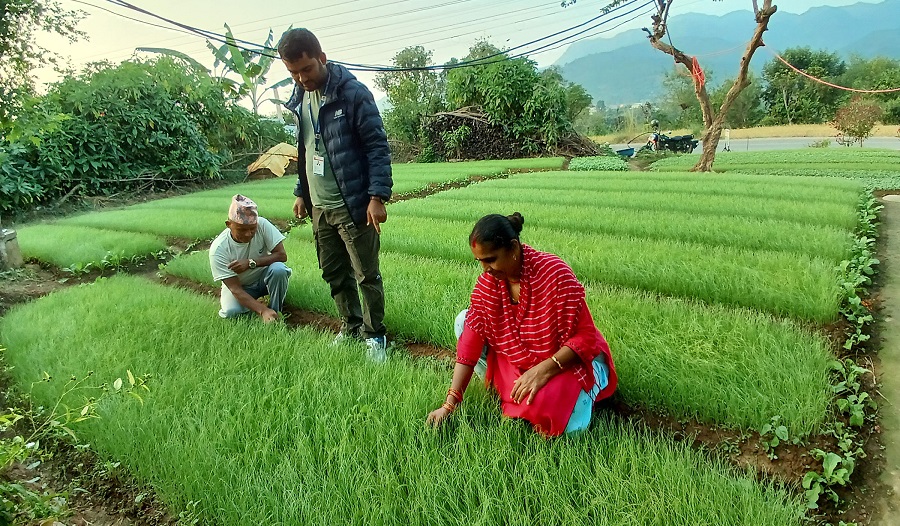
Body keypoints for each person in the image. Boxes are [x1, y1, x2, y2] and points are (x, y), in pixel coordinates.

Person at [426, 213, 618, 437]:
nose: (485, 269)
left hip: (566, 359)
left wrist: (543, 370)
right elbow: (469, 344)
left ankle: (591, 386)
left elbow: (586, 337)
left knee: (561, 422)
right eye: (480, 261)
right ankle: (506, 388)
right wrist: (450, 404)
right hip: (520, 359)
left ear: (514, 247)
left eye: (491, 259)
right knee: (464, 321)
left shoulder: (554, 273)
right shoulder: (489, 283)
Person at [277, 28, 393, 362]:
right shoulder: (299, 97)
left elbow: (376, 146)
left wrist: (377, 196)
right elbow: (306, 149)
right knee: (334, 272)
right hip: (319, 205)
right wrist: (301, 192)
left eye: (307, 69)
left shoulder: (352, 94)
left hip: (352, 202)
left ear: (322, 58)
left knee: (366, 273)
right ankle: (350, 326)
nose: (302, 78)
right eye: (294, 73)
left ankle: (375, 336)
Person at [209, 194, 291, 323]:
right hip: (242, 287)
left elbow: (281, 255)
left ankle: (276, 311)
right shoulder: (219, 249)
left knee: (279, 270)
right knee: (231, 312)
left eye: (252, 229)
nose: (248, 234)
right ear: (229, 224)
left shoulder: (262, 225)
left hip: (265, 279)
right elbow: (235, 289)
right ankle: (262, 310)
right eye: (242, 230)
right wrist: (262, 310)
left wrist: (251, 263)